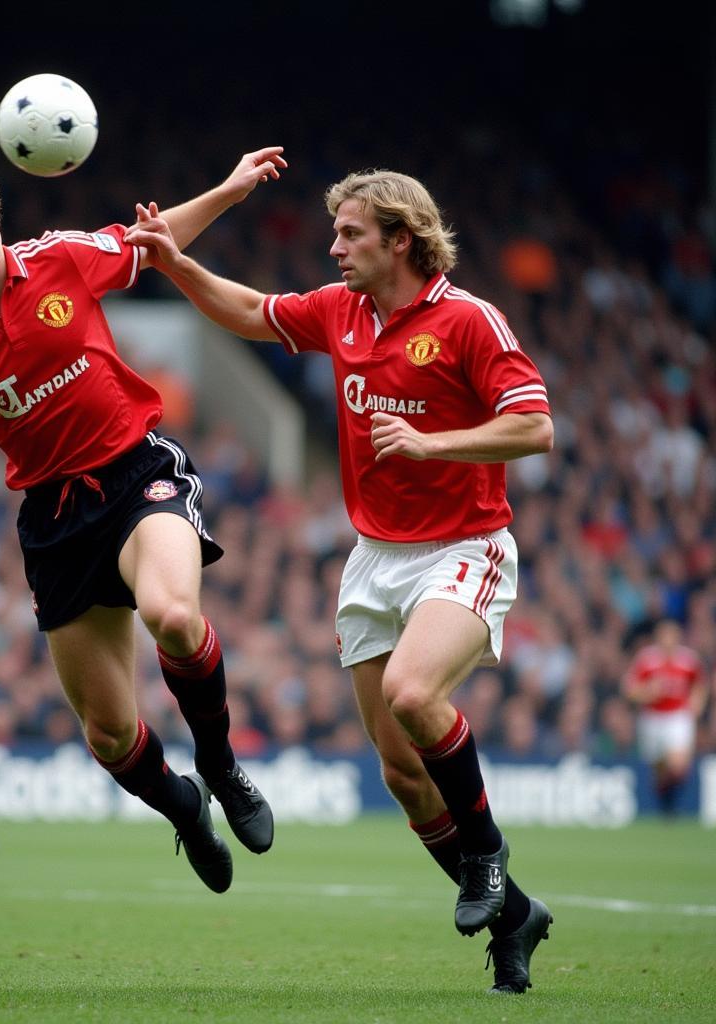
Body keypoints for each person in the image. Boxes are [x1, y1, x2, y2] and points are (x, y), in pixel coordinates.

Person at [126, 169, 555, 993]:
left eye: (350, 234)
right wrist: (175, 263)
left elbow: (534, 426)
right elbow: (253, 312)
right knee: (400, 769)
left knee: (414, 695)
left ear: (402, 238)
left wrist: (433, 445)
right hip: (374, 559)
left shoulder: (467, 320)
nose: (334, 248)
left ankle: (489, 854)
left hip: (464, 546)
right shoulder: (343, 311)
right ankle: (513, 918)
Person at [0, 147, 285, 892]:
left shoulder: (60, 258)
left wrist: (228, 190)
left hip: (137, 473)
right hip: (55, 519)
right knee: (108, 736)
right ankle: (183, 809)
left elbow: (150, 239)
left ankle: (221, 764)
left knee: (173, 615)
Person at [622, 619, 709, 817]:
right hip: (652, 718)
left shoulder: (688, 660)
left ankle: (674, 806)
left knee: (678, 764)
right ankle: (665, 804)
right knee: (659, 768)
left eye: (672, 635)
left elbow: (700, 685)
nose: (668, 639)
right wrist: (647, 693)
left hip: (678, 716)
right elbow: (630, 690)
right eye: (664, 635)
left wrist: (697, 702)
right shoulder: (646, 659)